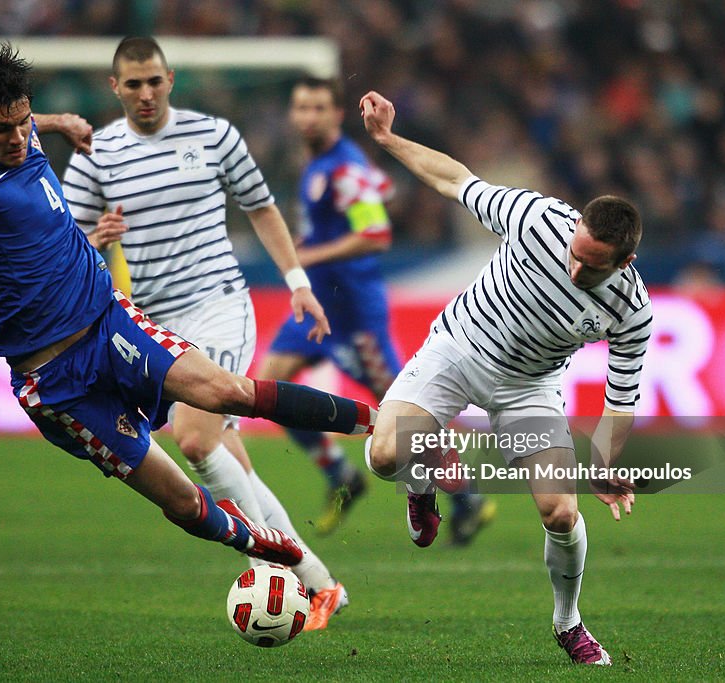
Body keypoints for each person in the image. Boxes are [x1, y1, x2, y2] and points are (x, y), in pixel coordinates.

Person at [0, 43, 376, 583]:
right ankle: (269, 545)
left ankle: (376, 422)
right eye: (3, 130)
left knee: (228, 392)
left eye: (24, 122)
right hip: (59, 381)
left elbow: (24, 125)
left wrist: (59, 120)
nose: (19, 139)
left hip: (113, 323)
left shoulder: (26, 135)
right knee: (183, 502)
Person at [61, 37, 347, 630]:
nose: (145, 94)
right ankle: (318, 584)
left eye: (154, 82)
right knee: (228, 455)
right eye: (132, 84)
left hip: (217, 303)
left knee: (194, 438)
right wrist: (95, 237)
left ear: (171, 79)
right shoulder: (95, 153)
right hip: (150, 325)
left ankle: (297, 576)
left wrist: (297, 282)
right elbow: (61, 248)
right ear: (115, 88)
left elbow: (262, 207)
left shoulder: (214, 135)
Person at [359, 90, 651, 666]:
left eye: (590, 267)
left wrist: (607, 463)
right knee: (384, 456)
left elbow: (621, 396)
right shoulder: (539, 219)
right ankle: (423, 480)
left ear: (624, 263)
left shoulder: (631, 310)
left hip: (528, 388)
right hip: (457, 348)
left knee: (561, 513)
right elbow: (456, 179)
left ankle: (568, 622)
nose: (574, 268)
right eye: (574, 252)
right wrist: (390, 140)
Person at [258, 76, 494, 541]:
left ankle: (466, 497)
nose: (308, 117)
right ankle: (339, 475)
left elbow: (375, 234)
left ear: (335, 115)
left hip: (356, 315)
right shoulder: (315, 166)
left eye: (318, 108)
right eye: (301, 108)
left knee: (409, 417)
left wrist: (308, 255)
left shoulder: (345, 168)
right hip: (322, 304)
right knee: (271, 385)